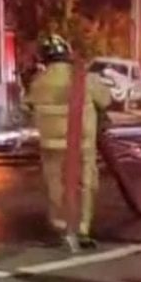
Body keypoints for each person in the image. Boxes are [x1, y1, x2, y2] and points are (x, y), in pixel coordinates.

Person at [22, 33, 110, 251]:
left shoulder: (38, 82)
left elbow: (27, 106)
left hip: (50, 146)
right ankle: (82, 230)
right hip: (81, 145)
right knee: (84, 185)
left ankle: (61, 227)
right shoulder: (84, 79)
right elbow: (106, 100)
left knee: (56, 187)